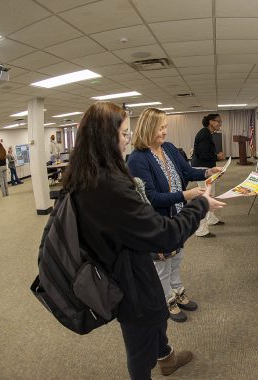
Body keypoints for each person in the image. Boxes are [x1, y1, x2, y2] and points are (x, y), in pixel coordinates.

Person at [61, 102, 225, 379]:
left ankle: (167, 357)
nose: (127, 139)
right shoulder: (110, 182)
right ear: (105, 136)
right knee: (139, 341)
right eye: (124, 133)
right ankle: (159, 361)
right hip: (125, 272)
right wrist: (200, 205)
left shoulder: (87, 173)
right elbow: (164, 234)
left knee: (156, 313)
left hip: (125, 260)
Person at [127, 108, 223, 323]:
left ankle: (177, 290)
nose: (165, 132)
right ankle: (166, 300)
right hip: (157, 221)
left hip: (176, 217)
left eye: (166, 127)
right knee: (161, 265)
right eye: (160, 128)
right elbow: (151, 197)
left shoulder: (169, 148)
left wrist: (208, 172)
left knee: (176, 258)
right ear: (148, 128)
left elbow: (187, 172)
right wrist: (185, 195)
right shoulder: (137, 159)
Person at [190, 113, 226, 237]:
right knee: (206, 197)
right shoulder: (205, 134)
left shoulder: (207, 133)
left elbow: (204, 152)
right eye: (218, 121)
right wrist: (217, 156)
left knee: (211, 194)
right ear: (211, 122)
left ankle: (211, 219)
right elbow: (203, 154)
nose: (220, 124)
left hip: (206, 167)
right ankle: (201, 230)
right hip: (202, 168)